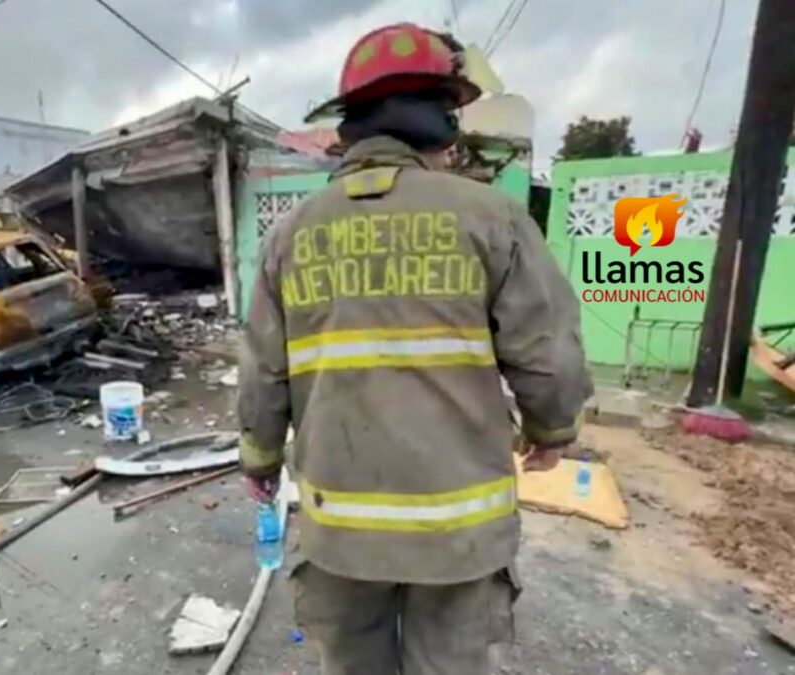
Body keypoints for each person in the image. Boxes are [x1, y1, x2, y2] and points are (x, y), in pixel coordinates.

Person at [239, 24, 593, 675]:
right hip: (456, 530)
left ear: (349, 128)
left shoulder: (291, 234)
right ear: (443, 126)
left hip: (339, 526)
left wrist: (260, 456)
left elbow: (263, 368)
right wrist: (553, 428)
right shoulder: (492, 217)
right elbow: (546, 349)